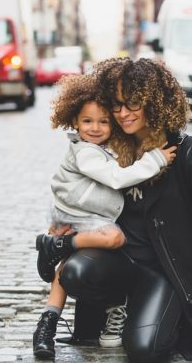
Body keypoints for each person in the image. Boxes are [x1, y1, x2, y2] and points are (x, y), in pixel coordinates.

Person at [55, 58, 192, 362]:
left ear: (154, 102)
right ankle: (121, 305)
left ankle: (163, 312)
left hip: (164, 270)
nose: (123, 113)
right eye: (117, 104)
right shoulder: (110, 148)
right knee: (75, 272)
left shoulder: (188, 152)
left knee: (144, 349)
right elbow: (73, 187)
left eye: (133, 104)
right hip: (121, 261)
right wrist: (63, 224)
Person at [32, 73, 177, 359]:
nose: (96, 128)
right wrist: (156, 160)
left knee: (65, 267)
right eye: (87, 122)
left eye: (103, 121)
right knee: (114, 237)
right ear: (74, 121)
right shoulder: (85, 152)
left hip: (78, 212)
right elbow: (115, 178)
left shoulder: (101, 148)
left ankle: (46, 323)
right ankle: (61, 246)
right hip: (81, 214)